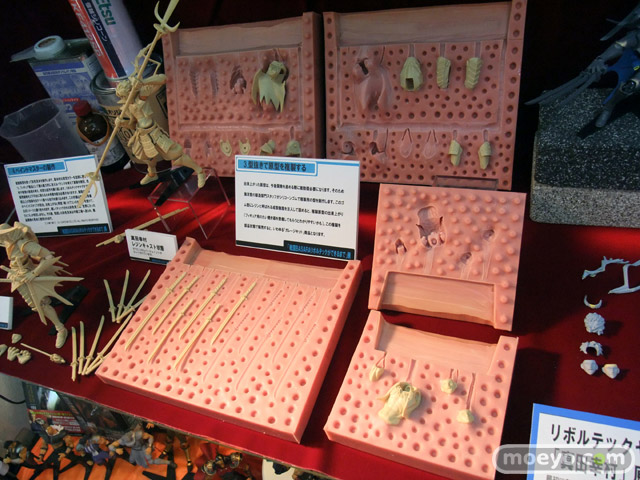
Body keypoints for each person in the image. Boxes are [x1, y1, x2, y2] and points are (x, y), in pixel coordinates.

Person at [115, 70, 206, 188]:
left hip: (153, 131)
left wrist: (143, 82)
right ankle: (152, 174)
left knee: (175, 154)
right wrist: (123, 124)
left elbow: (163, 78)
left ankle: (199, 171)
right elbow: (133, 124)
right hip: (141, 133)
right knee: (144, 155)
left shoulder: (142, 96)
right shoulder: (127, 106)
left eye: (124, 96)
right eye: (122, 97)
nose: (124, 98)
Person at [0, 222, 79, 348]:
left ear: (9, 234)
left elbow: (48, 256)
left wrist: (34, 273)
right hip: (18, 276)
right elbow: (35, 256)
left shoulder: (23, 244)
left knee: (40, 304)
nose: (1, 239)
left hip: (27, 275)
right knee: (35, 305)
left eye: (2, 236)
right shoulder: (9, 243)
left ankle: (60, 329)